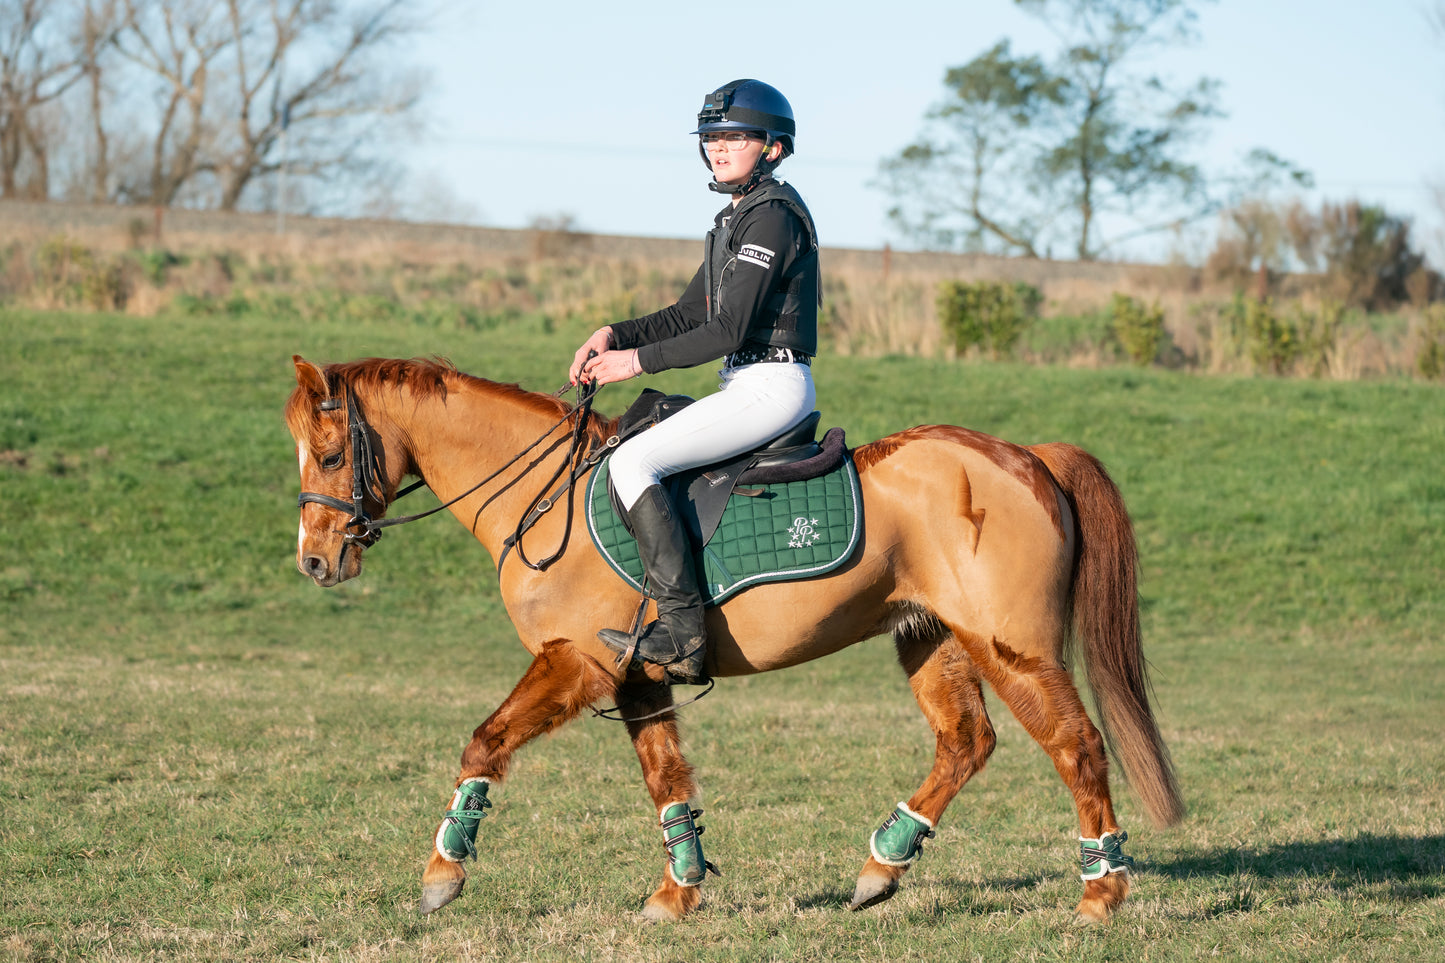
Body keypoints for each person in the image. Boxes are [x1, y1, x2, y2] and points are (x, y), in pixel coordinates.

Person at [569, 79, 821, 685]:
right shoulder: (735, 220)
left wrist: (635, 364)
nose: (719, 147)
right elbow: (689, 314)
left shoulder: (772, 220)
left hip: (770, 387)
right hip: (744, 386)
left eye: (734, 137)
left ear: (773, 148)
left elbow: (728, 329)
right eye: (712, 137)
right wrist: (613, 333)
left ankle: (683, 635)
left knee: (633, 465)